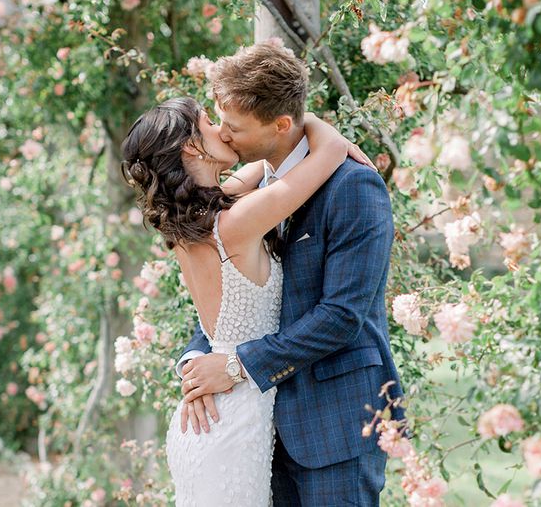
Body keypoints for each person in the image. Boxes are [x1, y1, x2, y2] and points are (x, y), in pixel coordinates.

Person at [177, 44, 405, 506]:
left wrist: (236, 366)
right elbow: (231, 296)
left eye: (234, 127)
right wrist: (195, 364)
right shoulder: (251, 188)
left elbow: (342, 315)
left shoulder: (353, 186)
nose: (223, 135)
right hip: (256, 428)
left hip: (334, 425)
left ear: (280, 125)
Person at [120, 92, 372, 506]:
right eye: (207, 121)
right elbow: (326, 155)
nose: (222, 129)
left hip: (212, 412)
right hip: (232, 416)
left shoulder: (195, 221)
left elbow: (262, 166)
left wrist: (278, 128)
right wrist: (307, 122)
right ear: (189, 145)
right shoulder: (235, 221)